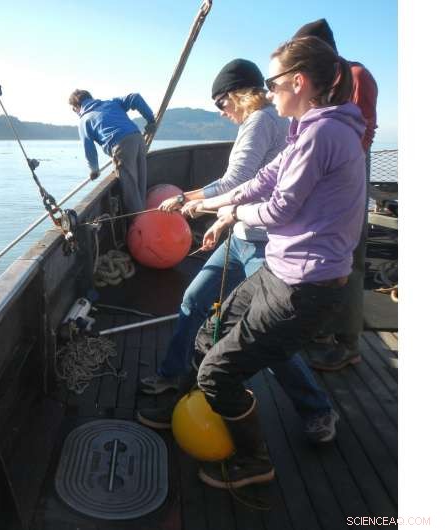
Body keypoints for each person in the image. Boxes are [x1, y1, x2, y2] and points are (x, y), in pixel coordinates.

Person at [185, 36, 366, 489]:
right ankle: (226, 409)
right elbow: (264, 178)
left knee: (216, 371)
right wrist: (216, 205)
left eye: (273, 81)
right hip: (279, 272)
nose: (269, 91)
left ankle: (254, 460)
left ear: (298, 82)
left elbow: (279, 208)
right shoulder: (307, 128)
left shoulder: (322, 132)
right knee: (210, 334)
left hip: (304, 287)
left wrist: (232, 213)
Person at [136, 59, 338, 444]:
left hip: (264, 246)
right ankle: (174, 376)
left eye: (221, 104)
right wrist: (220, 219)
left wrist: (187, 198)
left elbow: (236, 181)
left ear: (237, 95)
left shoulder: (261, 120)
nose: (222, 113)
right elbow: (255, 184)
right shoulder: (277, 121)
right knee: (195, 299)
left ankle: (317, 409)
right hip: (241, 235)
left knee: (268, 337)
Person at [292, 18, 379, 371]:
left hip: (345, 181)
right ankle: (320, 332)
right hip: (321, 181)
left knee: (349, 258)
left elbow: (363, 133)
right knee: (321, 253)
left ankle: (348, 343)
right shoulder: (319, 83)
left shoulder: (356, 76)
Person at [69, 89, 156, 213]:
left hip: (121, 146)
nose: (75, 112)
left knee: (130, 189)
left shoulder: (84, 121)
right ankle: (145, 216)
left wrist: (94, 170)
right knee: (140, 184)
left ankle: (140, 224)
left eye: (74, 109)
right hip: (138, 138)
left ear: (77, 106)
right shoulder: (111, 103)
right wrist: (150, 119)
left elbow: (89, 150)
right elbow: (135, 97)